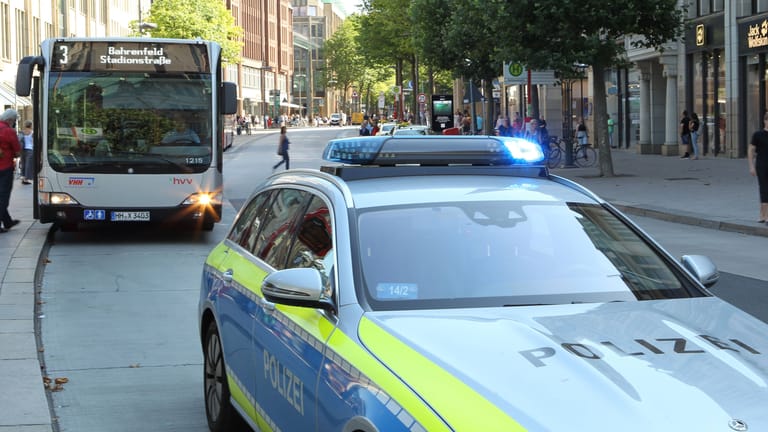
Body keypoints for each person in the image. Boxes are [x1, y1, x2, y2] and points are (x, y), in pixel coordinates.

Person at [0, 109, 21, 233]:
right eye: (14, 121)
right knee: (3, 196)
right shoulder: (9, 131)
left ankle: (7, 222)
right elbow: (17, 152)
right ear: (10, 120)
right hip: (5, 167)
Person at [749, 112, 768, 223]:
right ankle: (765, 216)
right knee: (764, 189)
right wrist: (751, 166)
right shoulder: (758, 135)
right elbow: (750, 150)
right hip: (761, 165)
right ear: (765, 121)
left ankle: (762, 215)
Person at [19, 120, 33, 185]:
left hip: (23, 150)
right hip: (30, 150)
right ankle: (26, 179)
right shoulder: (32, 132)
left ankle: (22, 177)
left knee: (23, 164)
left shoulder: (22, 132)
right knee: (28, 165)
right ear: (30, 125)